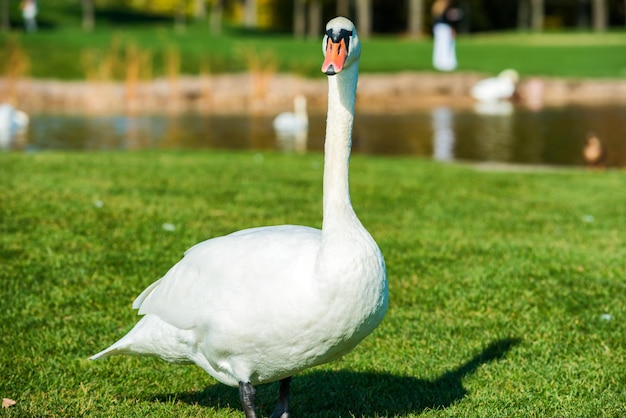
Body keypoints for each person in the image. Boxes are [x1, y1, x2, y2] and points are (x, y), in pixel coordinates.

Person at [431, 0, 462, 72]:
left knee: (440, 45)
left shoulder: (437, 6)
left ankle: (439, 63)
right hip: (444, 28)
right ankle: (445, 64)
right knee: (445, 46)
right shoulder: (444, 6)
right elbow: (445, 19)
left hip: (438, 27)